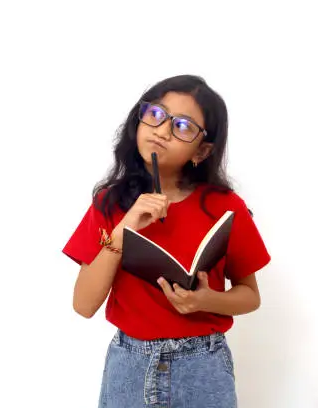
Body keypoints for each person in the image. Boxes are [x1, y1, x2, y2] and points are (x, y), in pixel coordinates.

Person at [62, 74, 271, 408]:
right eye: (156, 115)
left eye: (183, 126)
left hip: (203, 366)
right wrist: (123, 231)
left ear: (201, 151)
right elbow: (83, 305)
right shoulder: (110, 202)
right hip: (129, 365)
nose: (162, 130)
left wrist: (205, 300)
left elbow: (250, 296)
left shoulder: (225, 206)